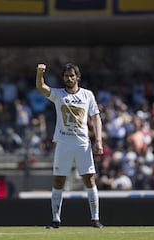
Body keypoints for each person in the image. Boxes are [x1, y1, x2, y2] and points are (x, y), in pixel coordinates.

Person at [36, 63, 104, 228]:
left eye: (72, 75)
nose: (69, 78)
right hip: (63, 143)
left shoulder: (87, 95)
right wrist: (39, 73)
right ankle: (55, 220)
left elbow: (96, 118)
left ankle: (95, 219)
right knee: (58, 181)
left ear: (77, 77)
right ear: (63, 78)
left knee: (89, 180)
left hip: (82, 144)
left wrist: (99, 140)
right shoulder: (58, 94)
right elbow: (41, 87)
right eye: (66, 76)